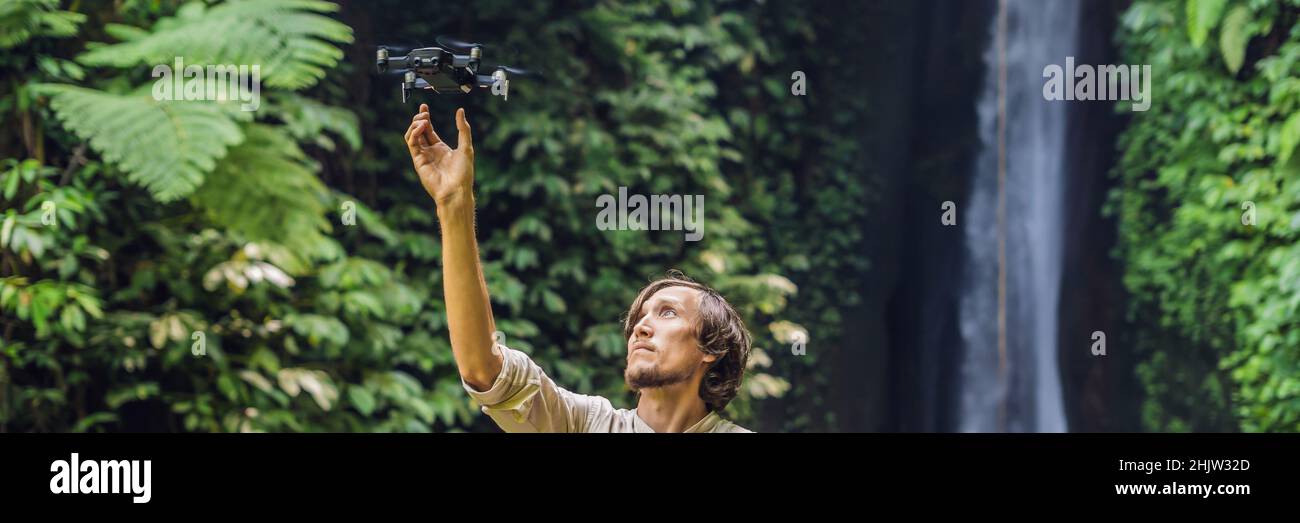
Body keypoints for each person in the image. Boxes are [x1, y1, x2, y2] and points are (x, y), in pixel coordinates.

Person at [404, 104, 753, 433]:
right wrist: (454, 203)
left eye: (668, 313)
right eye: (640, 319)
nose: (641, 328)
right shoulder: (582, 423)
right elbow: (484, 368)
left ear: (711, 348)